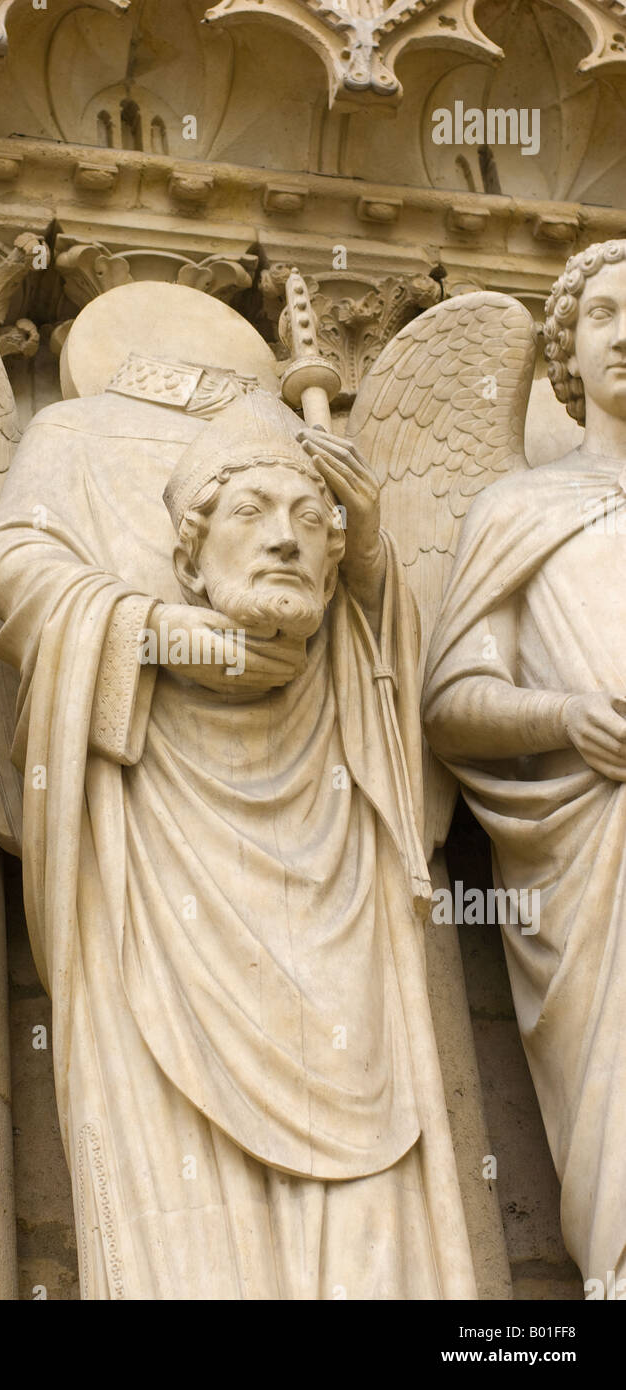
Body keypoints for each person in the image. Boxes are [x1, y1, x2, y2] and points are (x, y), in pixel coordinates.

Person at [0, 383, 474, 1299]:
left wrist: (364, 544)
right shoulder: (66, 436)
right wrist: (160, 632)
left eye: (306, 519)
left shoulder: (349, 656)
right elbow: (12, 561)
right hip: (155, 868)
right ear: (190, 558)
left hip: (336, 907)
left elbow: (415, 692)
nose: (287, 537)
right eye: (251, 511)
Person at [423, 239, 626, 1290]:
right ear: (568, 351)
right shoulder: (518, 509)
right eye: (604, 314)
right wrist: (570, 715)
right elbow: (451, 702)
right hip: (592, 850)